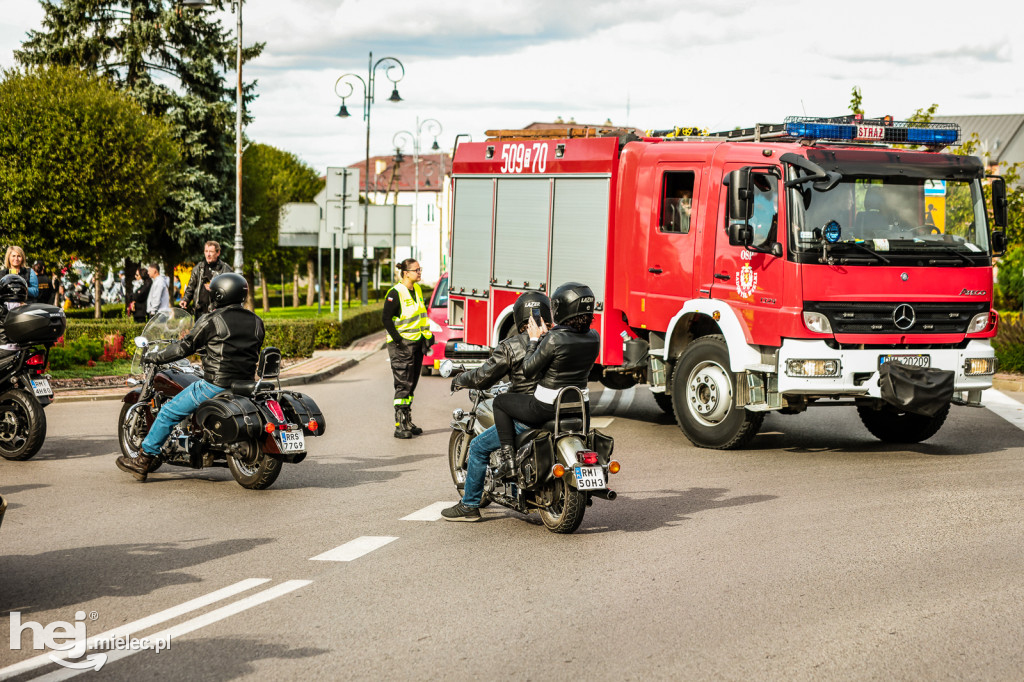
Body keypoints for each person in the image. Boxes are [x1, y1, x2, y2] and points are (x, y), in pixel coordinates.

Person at [116, 273, 265, 481]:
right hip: (245, 385)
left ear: (219, 295)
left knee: (168, 411)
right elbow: (240, 350)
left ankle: (142, 461)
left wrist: (157, 356)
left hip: (215, 385)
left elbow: (185, 347)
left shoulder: (212, 319)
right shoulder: (256, 321)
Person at [441, 292, 553, 522]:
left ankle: (469, 505)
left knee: (480, 446)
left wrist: (461, 379)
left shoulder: (512, 345)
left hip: (526, 414)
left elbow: (484, 376)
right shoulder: (556, 341)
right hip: (556, 411)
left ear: (518, 316)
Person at [490, 282, 601, 472]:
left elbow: (528, 370)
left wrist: (534, 338)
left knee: (500, 402)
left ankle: (509, 459)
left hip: (545, 407)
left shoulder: (553, 339)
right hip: (580, 405)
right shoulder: (594, 337)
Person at [381, 258, 433, 439]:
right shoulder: (395, 293)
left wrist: (428, 336)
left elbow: (422, 317)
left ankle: (407, 421)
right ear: (406, 273)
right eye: (416, 270)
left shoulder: (417, 289)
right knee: (403, 384)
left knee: (411, 384)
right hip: (401, 346)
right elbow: (386, 319)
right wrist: (398, 340)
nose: (420, 272)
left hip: (416, 344)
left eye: (420, 269)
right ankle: (399, 424)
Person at [180, 241, 232, 314]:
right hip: (199, 312)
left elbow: (230, 293)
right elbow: (191, 287)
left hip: (216, 312)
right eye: (206, 251)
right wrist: (185, 300)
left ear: (218, 253)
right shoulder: (198, 268)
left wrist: (214, 289)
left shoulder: (225, 269)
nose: (208, 254)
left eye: (211, 251)